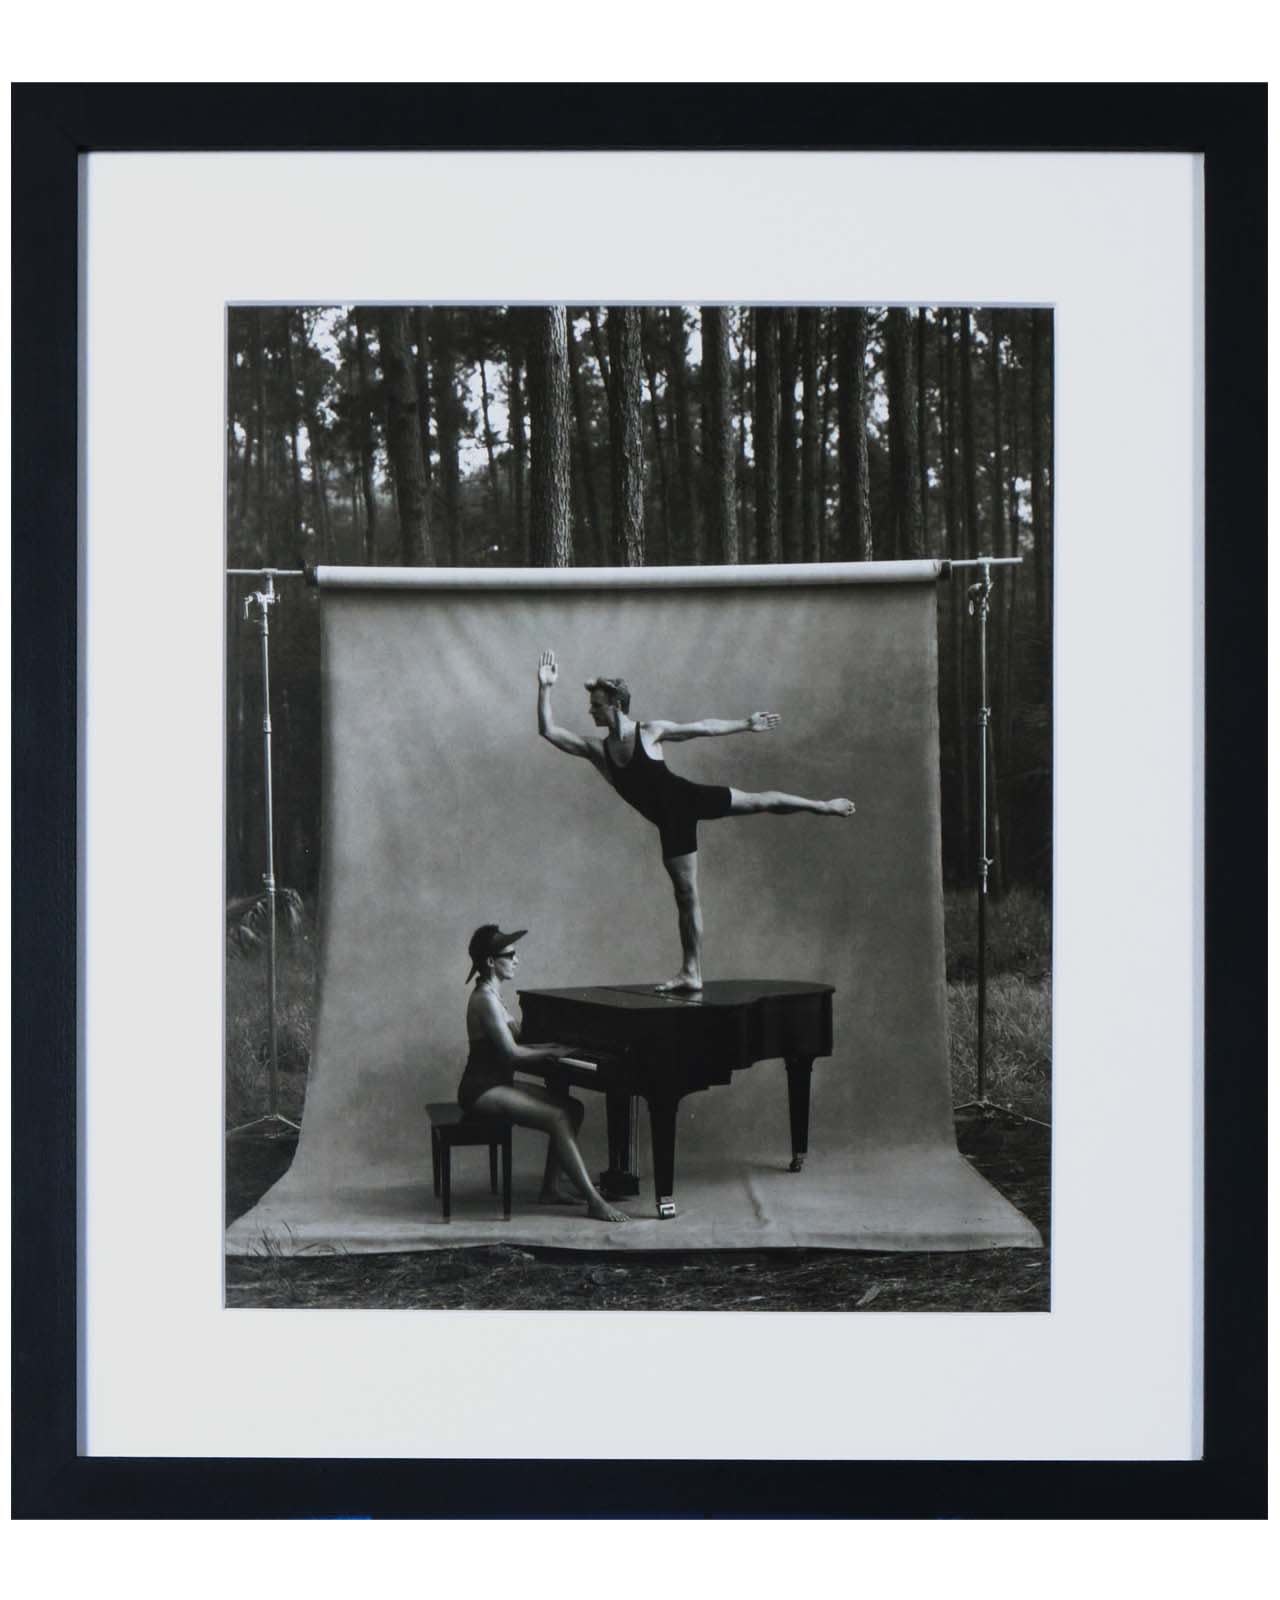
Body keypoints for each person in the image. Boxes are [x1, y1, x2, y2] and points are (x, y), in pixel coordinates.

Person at [536, 649, 855, 992]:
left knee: (760, 800)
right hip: (672, 824)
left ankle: (823, 806)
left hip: (688, 798)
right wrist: (545, 688)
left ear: (615, 704)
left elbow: (701, 728)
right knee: (687, 896)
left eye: (596, 705)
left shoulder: (650, 731)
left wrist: (746, 724)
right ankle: (692, 972)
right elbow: (549, 731)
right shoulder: (597, 751)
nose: (591, 711)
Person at [458, 923, 630, 1223]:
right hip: (480, 1089)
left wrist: (565, 1040)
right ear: (490, 962)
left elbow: (521, 1036)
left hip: (497, 1082)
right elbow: (511, 1053)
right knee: (557, 1116)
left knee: (573, 1109)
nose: (517, 959)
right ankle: (594, 1200)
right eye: (510, 954)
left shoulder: (494, 995)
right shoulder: (484, 1000)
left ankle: (550, 1188)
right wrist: (553, 1052)